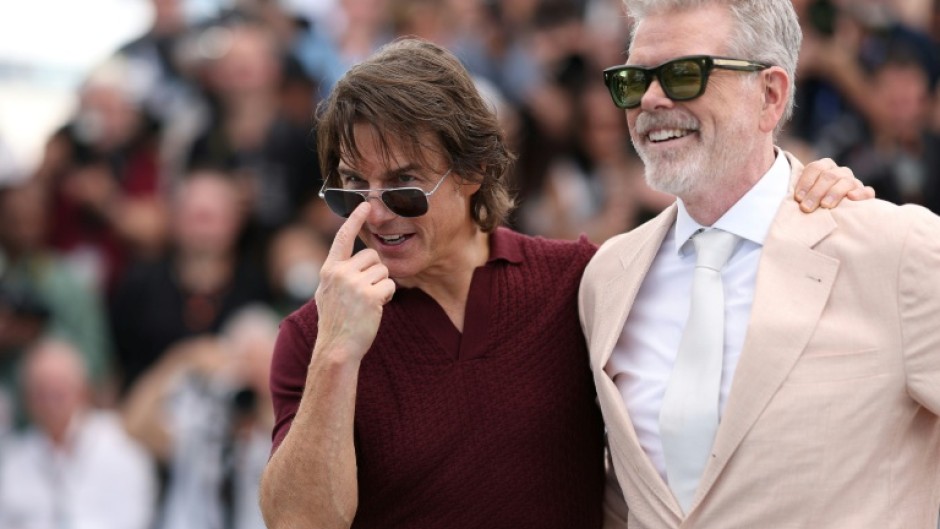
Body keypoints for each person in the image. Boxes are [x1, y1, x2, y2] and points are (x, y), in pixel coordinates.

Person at [258, 37, 870, 529]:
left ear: (473, 171)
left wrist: (804, 196)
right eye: (350, 188)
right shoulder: (314, 335)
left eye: (403, 185)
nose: (374, 212)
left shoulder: (580, 281)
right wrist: (337, 354)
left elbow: (737, 306)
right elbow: (298, 521)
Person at [578, 0, 940, 527]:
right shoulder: (608, 278)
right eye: (633, 81)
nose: (650, 99)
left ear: (770, 95)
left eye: (684, 73)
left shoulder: (896, 248)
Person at [0, 339, 158, 529]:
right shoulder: (13, 457)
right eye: (41, 394)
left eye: (58, 394)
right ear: (27, 400)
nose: (50, 405)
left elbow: (135, 518)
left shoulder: (122, 448)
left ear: (82, 392)